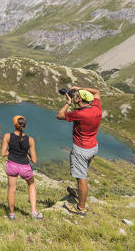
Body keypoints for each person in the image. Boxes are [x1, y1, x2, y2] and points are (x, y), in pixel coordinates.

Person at [56, 86, 102, 216]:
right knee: (81, 173)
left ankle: (80, 207)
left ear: (80, 99)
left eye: (76, 95)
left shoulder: (79, 114)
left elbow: (59, 115)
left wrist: (68, 103)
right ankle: (79, 192)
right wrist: (79, 88)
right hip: (92, 147)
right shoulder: (96, 108)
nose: (74, 95)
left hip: (81, 149)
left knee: (81, 178)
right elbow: (97, 92)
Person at [0, 115, 43, 220]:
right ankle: (33, 212)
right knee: (31, 185)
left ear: (14, 124)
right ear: (25, 125)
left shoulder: (7, 136)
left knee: (12, 189)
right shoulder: (30, 140)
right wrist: (26, 154)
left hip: (12, 166)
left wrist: (11, 151)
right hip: (24, 167)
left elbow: (3, 154)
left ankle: (11, 214)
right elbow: (34, 160)